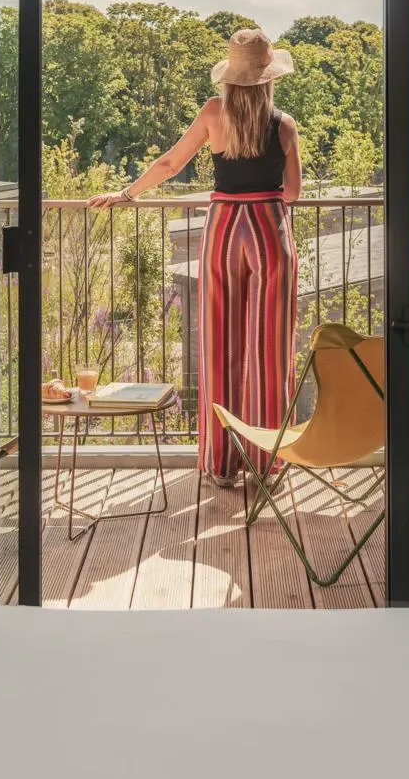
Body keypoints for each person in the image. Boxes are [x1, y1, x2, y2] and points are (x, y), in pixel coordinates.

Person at [90, 28, 301, 488]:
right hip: (269, 230)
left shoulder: (212, 113)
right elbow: (294, 193)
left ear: (230, 77)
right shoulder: (285, 125)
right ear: (269, 79)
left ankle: (222, 464)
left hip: (224, 229)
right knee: (270, 352)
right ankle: (268, 464)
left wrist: (127, 194)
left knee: (220, 345)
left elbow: (169, 164)